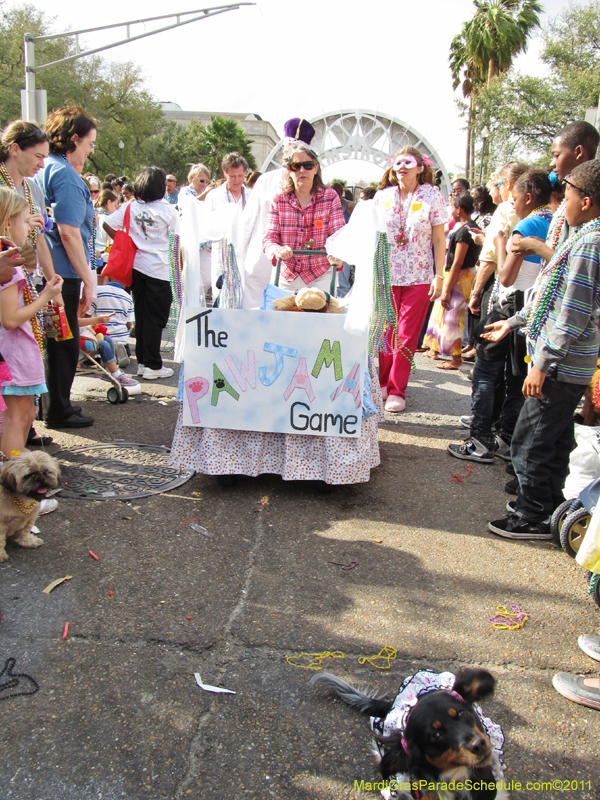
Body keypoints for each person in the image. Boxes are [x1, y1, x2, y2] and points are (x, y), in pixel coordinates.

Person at [483, 160, 600, 539]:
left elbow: (572, 313)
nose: (559, 203)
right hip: (565, 365)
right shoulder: (581, 237)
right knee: (554, 438)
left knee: (530, 440)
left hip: (559, 366)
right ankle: (547, 505)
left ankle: (531, 514)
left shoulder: (590, 244)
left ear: (585, 201)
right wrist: (514, 322)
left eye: (565, 195)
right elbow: (552, 293)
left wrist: (542, 364)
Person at [449, 170, 553, 464]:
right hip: (533, 310)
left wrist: (497, 242)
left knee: (485, 372)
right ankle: (507, 437)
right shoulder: (556, 223)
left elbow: (506, 276)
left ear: (528, 198)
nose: (513, 204)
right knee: (515, 376)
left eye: (516, 198)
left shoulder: (526, 224)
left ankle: (480, 439)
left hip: (510, 305)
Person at [35, 104, 98, 429]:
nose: (90, 151)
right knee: (64, 342)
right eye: (89, 143)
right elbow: (70, 233)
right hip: (64, 275)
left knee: (52, 342)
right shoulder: (66, 176)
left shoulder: (44, 168)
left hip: (47, 273)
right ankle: (58, 408)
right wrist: (89, 279)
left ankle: (50, 406)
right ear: (73, 139)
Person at [373, 146, 447, 412]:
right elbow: (373, 235)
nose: (402, 167)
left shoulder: (431, 195)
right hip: (386, 276)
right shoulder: (382, 197)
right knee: (385, 332)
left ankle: (397, 389)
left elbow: (439, 239)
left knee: (405, 336)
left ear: (420, 167)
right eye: (398, 163)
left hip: (418, 275)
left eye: (408, 162)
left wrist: (439, 275)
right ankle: (381, 382)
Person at [0, 188, 63, 456]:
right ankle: (13, 482)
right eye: (25, 221)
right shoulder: (8, 263)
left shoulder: (10, 261)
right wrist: (45, 296)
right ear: (7, 222)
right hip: (14, 355)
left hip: (20, 353)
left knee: (27, 413)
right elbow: (9, 319)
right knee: (18, 417)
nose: (30, 228)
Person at [103, 166, 179, 380]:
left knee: (143, 317)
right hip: (160, 269)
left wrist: (125, 240)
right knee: (156, 318)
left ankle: (144, 363)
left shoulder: (131, 207)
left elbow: (107, 222)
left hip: (136, 267)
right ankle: (153, 365)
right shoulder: (169, 210)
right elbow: (177, 241)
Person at [240, 117, 317, 309]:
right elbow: (248, 220)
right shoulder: (266, 180)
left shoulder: (310, 184)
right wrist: (239, 257)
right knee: (254, 309)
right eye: (286, 150)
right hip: (260, 257)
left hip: (292, 261)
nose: (287, 155)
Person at [511, 121, 600, 266]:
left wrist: (538, 248)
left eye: (557, 155)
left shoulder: (587, 206)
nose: (552, 163)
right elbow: (565, 250)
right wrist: (541, 246)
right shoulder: (570, 198)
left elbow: (577, 264)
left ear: (578, 152)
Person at [262, 142, 345, 293]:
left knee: (320, 314)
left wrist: (338, 256)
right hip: (287, 275)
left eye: (308, 165)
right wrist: (277, 251)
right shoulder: (279, 199)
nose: (302, 170)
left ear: (316, 168)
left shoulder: (330, 197)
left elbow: (338, 236)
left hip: (321, 274)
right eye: (296, 166)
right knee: (283, 314)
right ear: (289, 170)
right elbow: (269, 238)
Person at [422, 192, 481, 369]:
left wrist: (447, 289)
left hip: (459, 277)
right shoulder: (468, 228)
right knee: (442, 314)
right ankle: (435, 348)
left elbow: (458, 262)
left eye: (454, 207)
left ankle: (456, 359)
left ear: (459, 209)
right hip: (457, 275)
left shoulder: (465, 231)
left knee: (453, 317)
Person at [77, 311, 140, 395]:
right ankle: (116, 374)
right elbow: (76, 322)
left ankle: (110, 370)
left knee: (107, 338)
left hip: (81, 340)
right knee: (103, 345)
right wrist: (96, 320)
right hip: (77, 345)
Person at [91, 275, 134, 359]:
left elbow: (87, 315)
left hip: (101, 337)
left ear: (109, 279)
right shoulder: (128, 297)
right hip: (121, 338)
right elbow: (128, 325)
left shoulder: (97, 291)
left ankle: (105, 356)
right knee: (124, 344)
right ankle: (120, 351)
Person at [94, 189, 119, 271]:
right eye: (115, 205)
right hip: (102, 255)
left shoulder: (94, 214)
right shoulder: (108, 219)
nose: (115, 209)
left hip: (93, 253)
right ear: (108, 202)